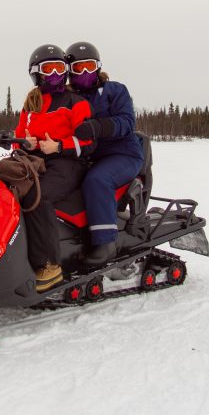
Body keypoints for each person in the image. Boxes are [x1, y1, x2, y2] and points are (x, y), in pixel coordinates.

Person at [14, 44, 96, 291]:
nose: (54, 74)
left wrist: (59, 146)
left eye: (59, 68)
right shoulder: (31, 106)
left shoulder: (75, 102)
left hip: (68, 162)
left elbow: (89, 141)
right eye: (48, 69)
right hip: (35, 161)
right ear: (37, 73)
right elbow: (19, 136)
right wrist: (24, 143)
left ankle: (49, 264)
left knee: (36, 197)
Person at [65, 41, 144, 267]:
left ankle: (105, 243)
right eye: (79, 68)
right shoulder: (69, 98)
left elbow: (127, 121)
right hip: (87, 156)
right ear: (70, 71)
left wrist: (98, 127)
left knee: (98, 180)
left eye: (90, 66)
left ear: (98, 66)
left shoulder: (114, 90)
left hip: (123, 154)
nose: (85, 72)